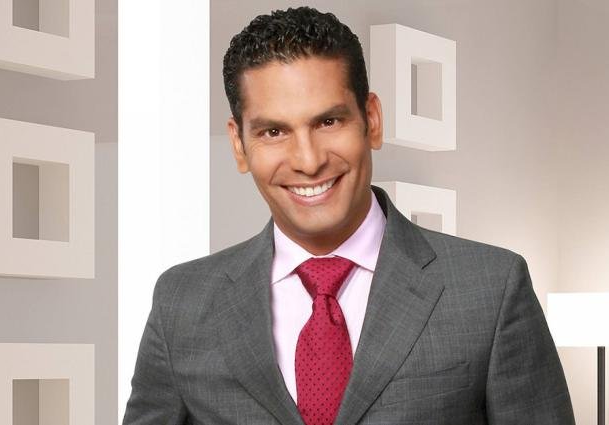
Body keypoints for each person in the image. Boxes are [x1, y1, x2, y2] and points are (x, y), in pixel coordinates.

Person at [123, 6, 575, 425]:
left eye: (328, 122)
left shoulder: (491, 289)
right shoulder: (181, 303)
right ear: (239, 145)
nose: (308, 160)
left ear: (371, 119)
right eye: (274, 131)